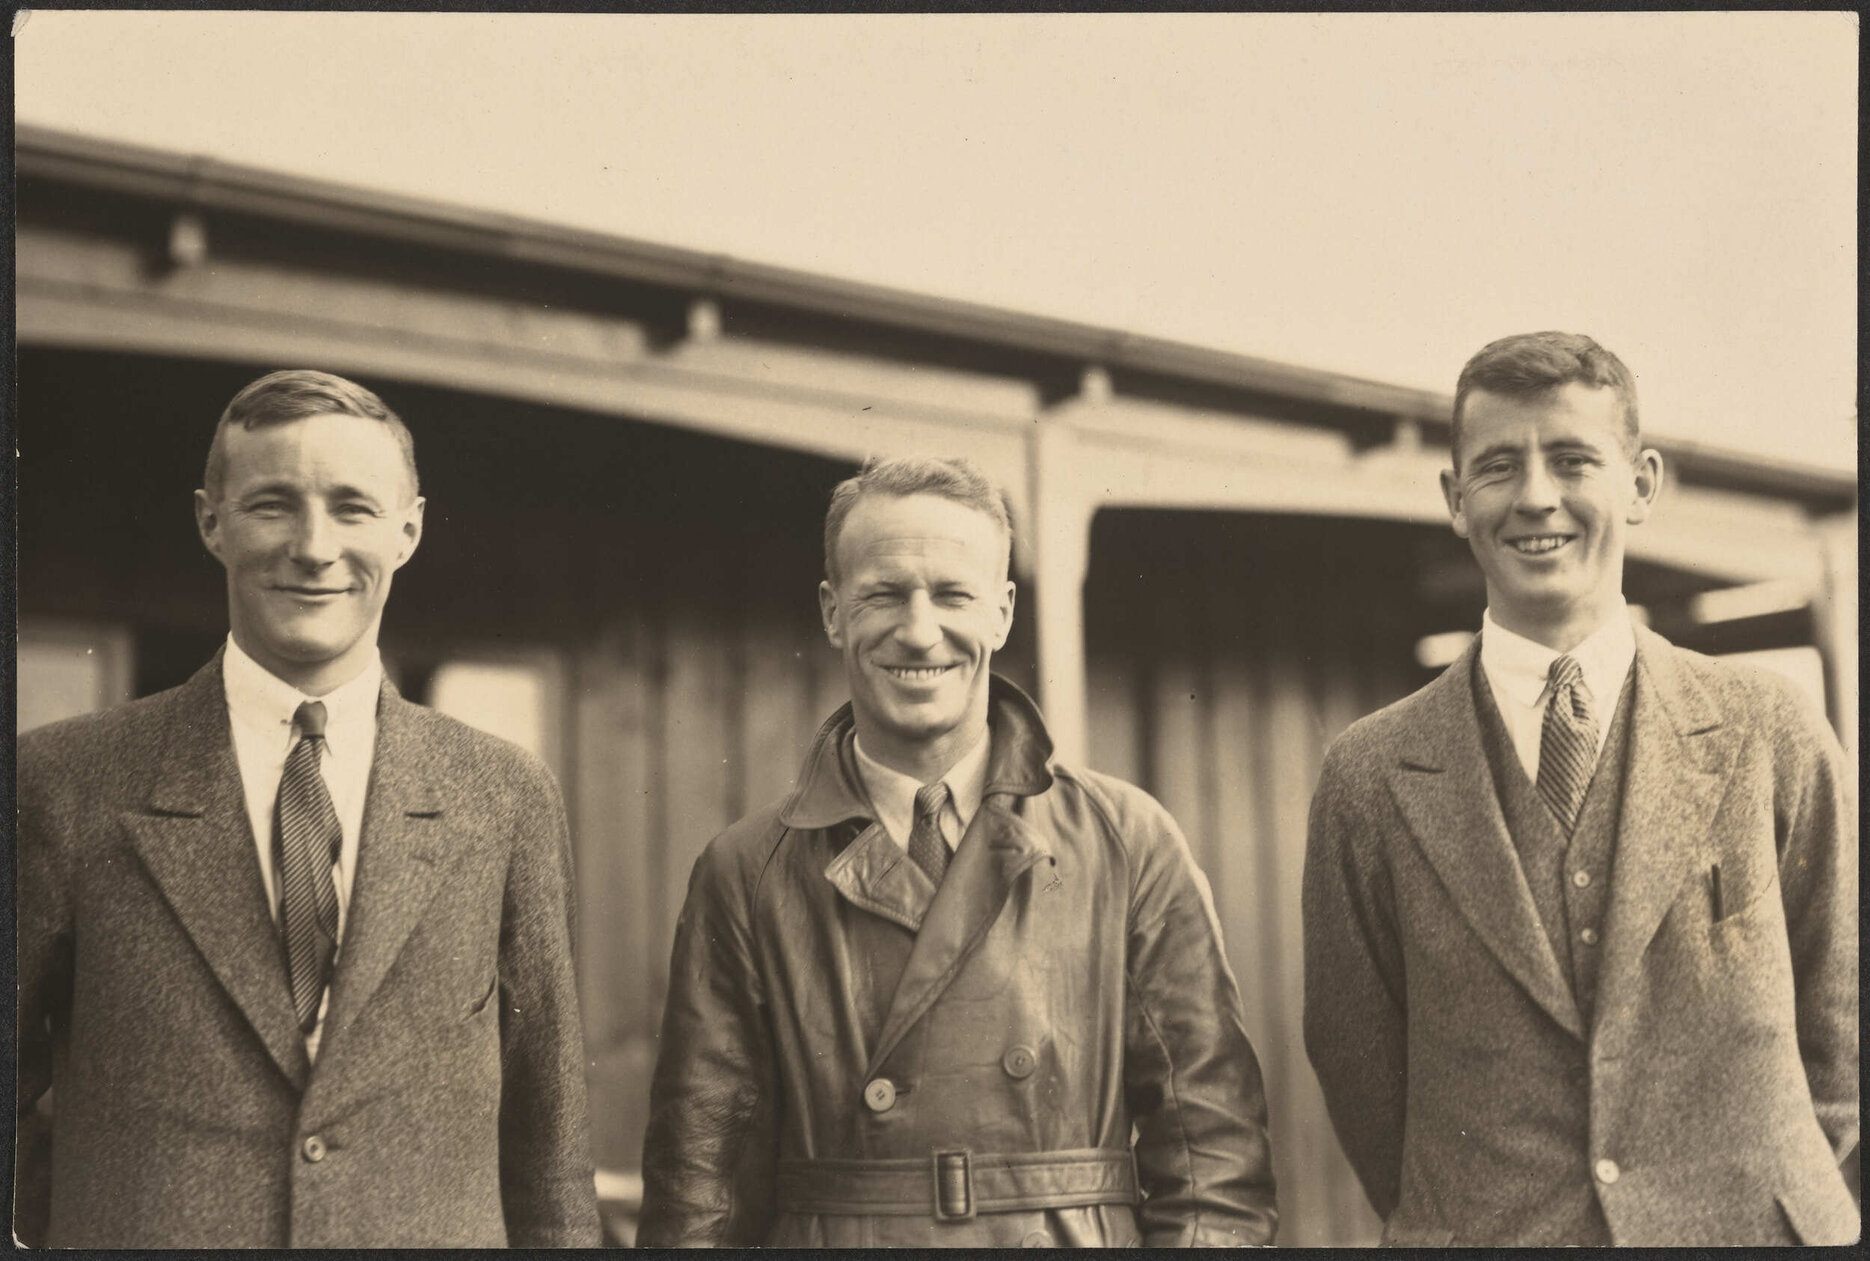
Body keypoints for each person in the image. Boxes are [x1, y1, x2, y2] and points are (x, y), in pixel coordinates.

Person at [15, 370, 599, 1248]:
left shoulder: (505, 794)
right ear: (211, 521)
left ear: (408, 529)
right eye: (273, 505)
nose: (314, 547)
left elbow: (548, 1144)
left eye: (353, 507)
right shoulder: (63, 782)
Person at [1302, 332, 1858, 1246]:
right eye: (1497, 466)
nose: (1535, 496)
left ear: (1641, 483)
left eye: (1571, 459)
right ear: (1454, 498)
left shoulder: (1770, 729)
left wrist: (1768, 1203)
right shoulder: (1368, 776)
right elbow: (1361, 1072)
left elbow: (1845, 1024)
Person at [637, 455, 1276, 1247]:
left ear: (1002, 613)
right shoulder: (746, 872)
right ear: (833, 612)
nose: (918, 630)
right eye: (884, 594)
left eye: (952, 594)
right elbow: (699, 1198)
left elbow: (1215, 1171)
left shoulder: (1128, 841)